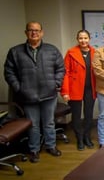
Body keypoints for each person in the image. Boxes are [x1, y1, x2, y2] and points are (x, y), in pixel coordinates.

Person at [4, 21, 65, 163]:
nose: (34, 33)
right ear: (26, 33)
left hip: (49, 94)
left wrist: (55, 83)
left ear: (42, 32)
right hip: (28, 96)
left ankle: (51, 146)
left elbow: (61, 69)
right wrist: (19, 88)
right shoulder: (15, 51)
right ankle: (34, 150)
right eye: (31, 30)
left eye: (37, 30)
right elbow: (9, 72)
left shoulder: (52, 50)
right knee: (33, 124)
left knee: (49, 123)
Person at [61, 30, 96, 151]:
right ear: (77, 39)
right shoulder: (71, 52)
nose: (83, 41)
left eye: (86, 38)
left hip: (90, 89)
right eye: (81, 38)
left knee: (89, 115)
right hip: (75, 88)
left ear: (89, 39)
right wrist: (65, 92)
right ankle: (79, 138)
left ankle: (87, 136)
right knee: (76, 116)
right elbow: (65, 73)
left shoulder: (94, 52)